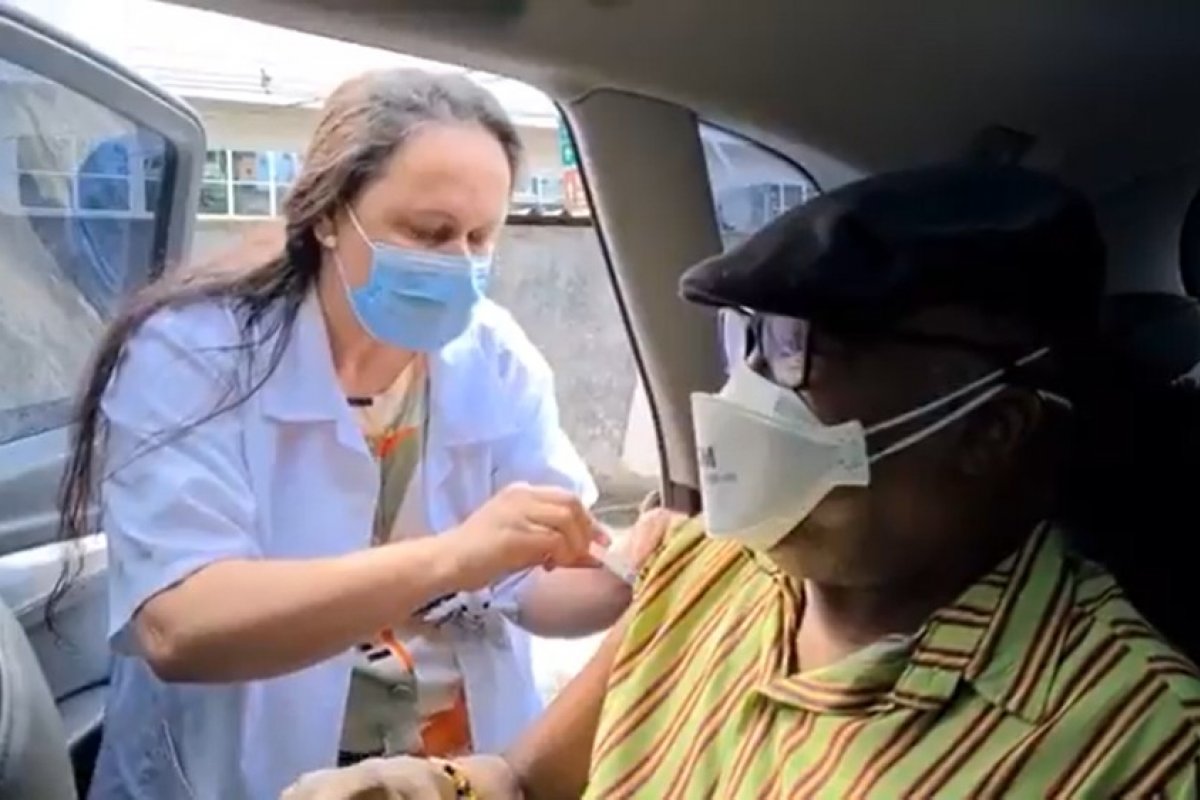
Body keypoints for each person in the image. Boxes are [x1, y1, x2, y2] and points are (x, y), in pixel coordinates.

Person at [283, 164, 1200, 799]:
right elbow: (525, 780)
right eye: (747, 341)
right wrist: (432, 784)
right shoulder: (710, 569)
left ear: (990, 431)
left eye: (798, 351)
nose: (745, 390)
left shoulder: (1139, 743)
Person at [57, 68, 647, 800]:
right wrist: (453, 557)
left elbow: (536, 583)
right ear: (331, 216)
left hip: (446, 773)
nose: (458, 264)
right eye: (427, 233)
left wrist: (629, 573)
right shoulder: (192, 355)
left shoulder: (491, 357)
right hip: (246, 777)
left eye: (479, 237)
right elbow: (181, 626)